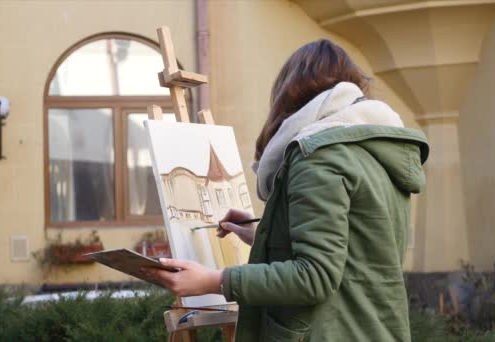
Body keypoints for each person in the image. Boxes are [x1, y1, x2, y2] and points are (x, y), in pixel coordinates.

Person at [142, 39, 429, 341]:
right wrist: (267, 232)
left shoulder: (320, 158)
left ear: (289, 92)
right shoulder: (371, 150)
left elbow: (314, 277)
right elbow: (354, 252)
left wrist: (215, 280)